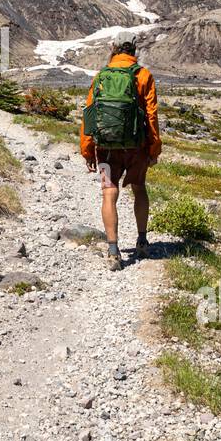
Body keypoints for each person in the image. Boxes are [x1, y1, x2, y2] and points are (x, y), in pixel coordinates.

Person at [78, 36, 161, 270]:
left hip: (106, 148)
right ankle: (142, 241)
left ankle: (113, 251)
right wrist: (154, 149)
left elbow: (89, 114)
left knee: (108, 193)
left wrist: (87, 151)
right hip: (137, 147)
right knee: (139, 188)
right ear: (134, 50)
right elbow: (152, 116)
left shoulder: (101, 76)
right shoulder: (143, 75)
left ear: (113, 50)